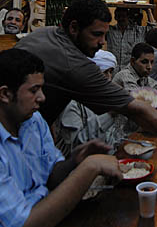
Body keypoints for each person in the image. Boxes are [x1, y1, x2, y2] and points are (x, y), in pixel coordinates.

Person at [14, 0, 157, 151]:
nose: (102, 42)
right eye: (96, 34)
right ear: (73, 27)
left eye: (104, 35)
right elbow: (136, 109)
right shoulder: (75, 65)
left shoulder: (45, 33)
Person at [0, 48, 122, 227]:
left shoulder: (33, 121)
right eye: (34, 90)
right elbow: (23, 223)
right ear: (5, 94)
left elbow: (51, 175)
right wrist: (89, 167)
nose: (42, 98)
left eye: (41, 88)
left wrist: (74, 161)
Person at [56, 50, 117, 157]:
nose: (109, 77)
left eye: (111, 72)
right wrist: (110, 114)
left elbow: (109, 138)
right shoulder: (72, 103)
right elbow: (78, 146)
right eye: (104, 72)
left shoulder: (103, 98)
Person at [106, 6, 157, 71]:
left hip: (131, 71)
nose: (121, 18)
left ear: (128, 17)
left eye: (123, 16)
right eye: (118, 16)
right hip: (113, 70)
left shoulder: (138, 31)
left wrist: (148, 11)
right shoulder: (110, 30)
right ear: (115, 17)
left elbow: (153, 30)